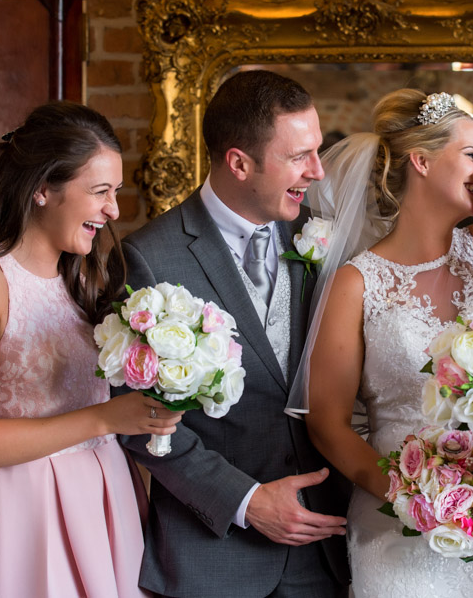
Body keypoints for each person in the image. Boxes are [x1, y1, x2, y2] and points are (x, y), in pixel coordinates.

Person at [299, 88, 473, 597]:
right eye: (472, 155)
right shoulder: (357, 283)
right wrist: (408, 496)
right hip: (399, 519)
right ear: (420, 161)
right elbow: (327, 424)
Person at [113, 70, 350, 598]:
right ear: (239, 163)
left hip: (325, 551)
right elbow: (134, 419)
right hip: (214, 557)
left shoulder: (323, 239)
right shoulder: (150, 257)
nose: (317, 171)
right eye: (299, 157)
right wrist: (247, 501)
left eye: (318, 151)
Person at [0, 102, 182, 597]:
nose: (113, 210)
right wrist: (108, 419)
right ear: (43, 189)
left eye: (116, 192)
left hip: (105, 492)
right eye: (100, 192)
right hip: (29, 506)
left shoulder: (84, 276)